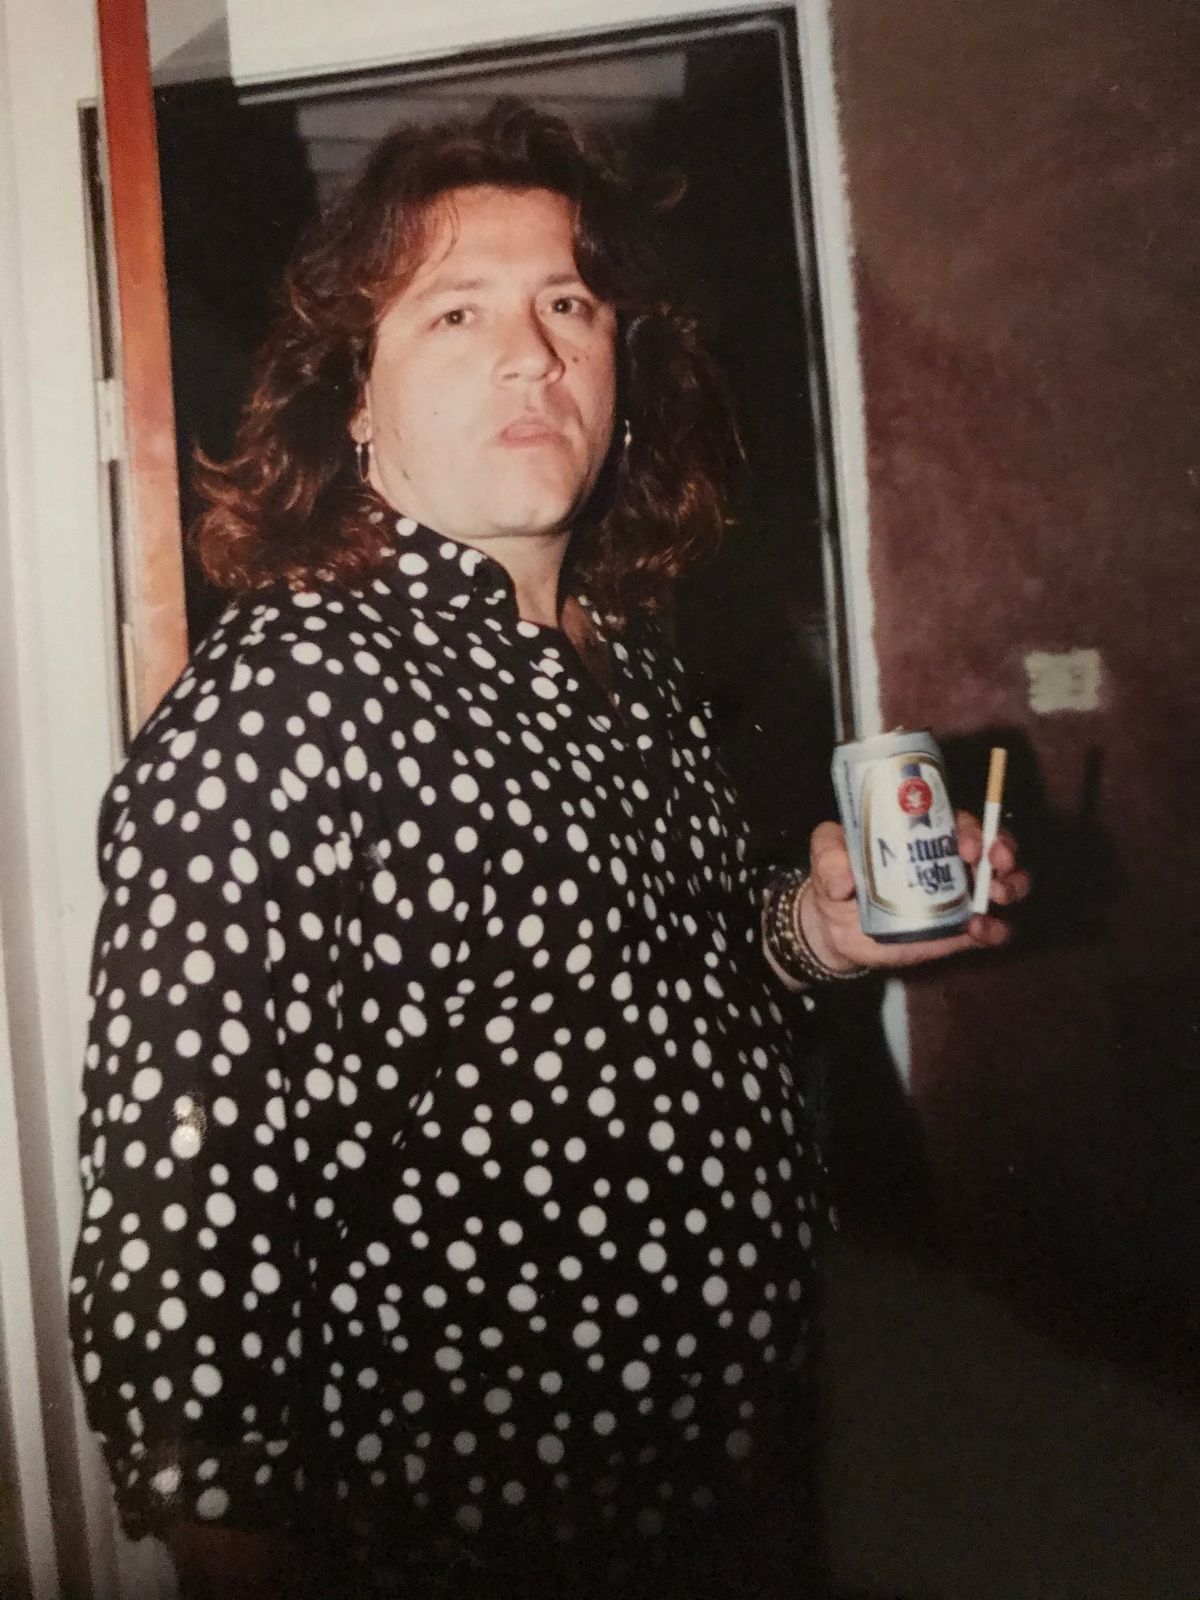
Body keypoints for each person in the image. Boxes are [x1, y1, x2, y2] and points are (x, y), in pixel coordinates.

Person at [68, 101, 1027, 1600]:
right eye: (457, 311)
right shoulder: (284, 707)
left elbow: (663, 977)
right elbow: (182, 1239)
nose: (533, 353)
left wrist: (817, 931)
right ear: (355, 397)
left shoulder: (625, 661)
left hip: (732, 1473)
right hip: (484, 1531)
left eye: (569, 305)